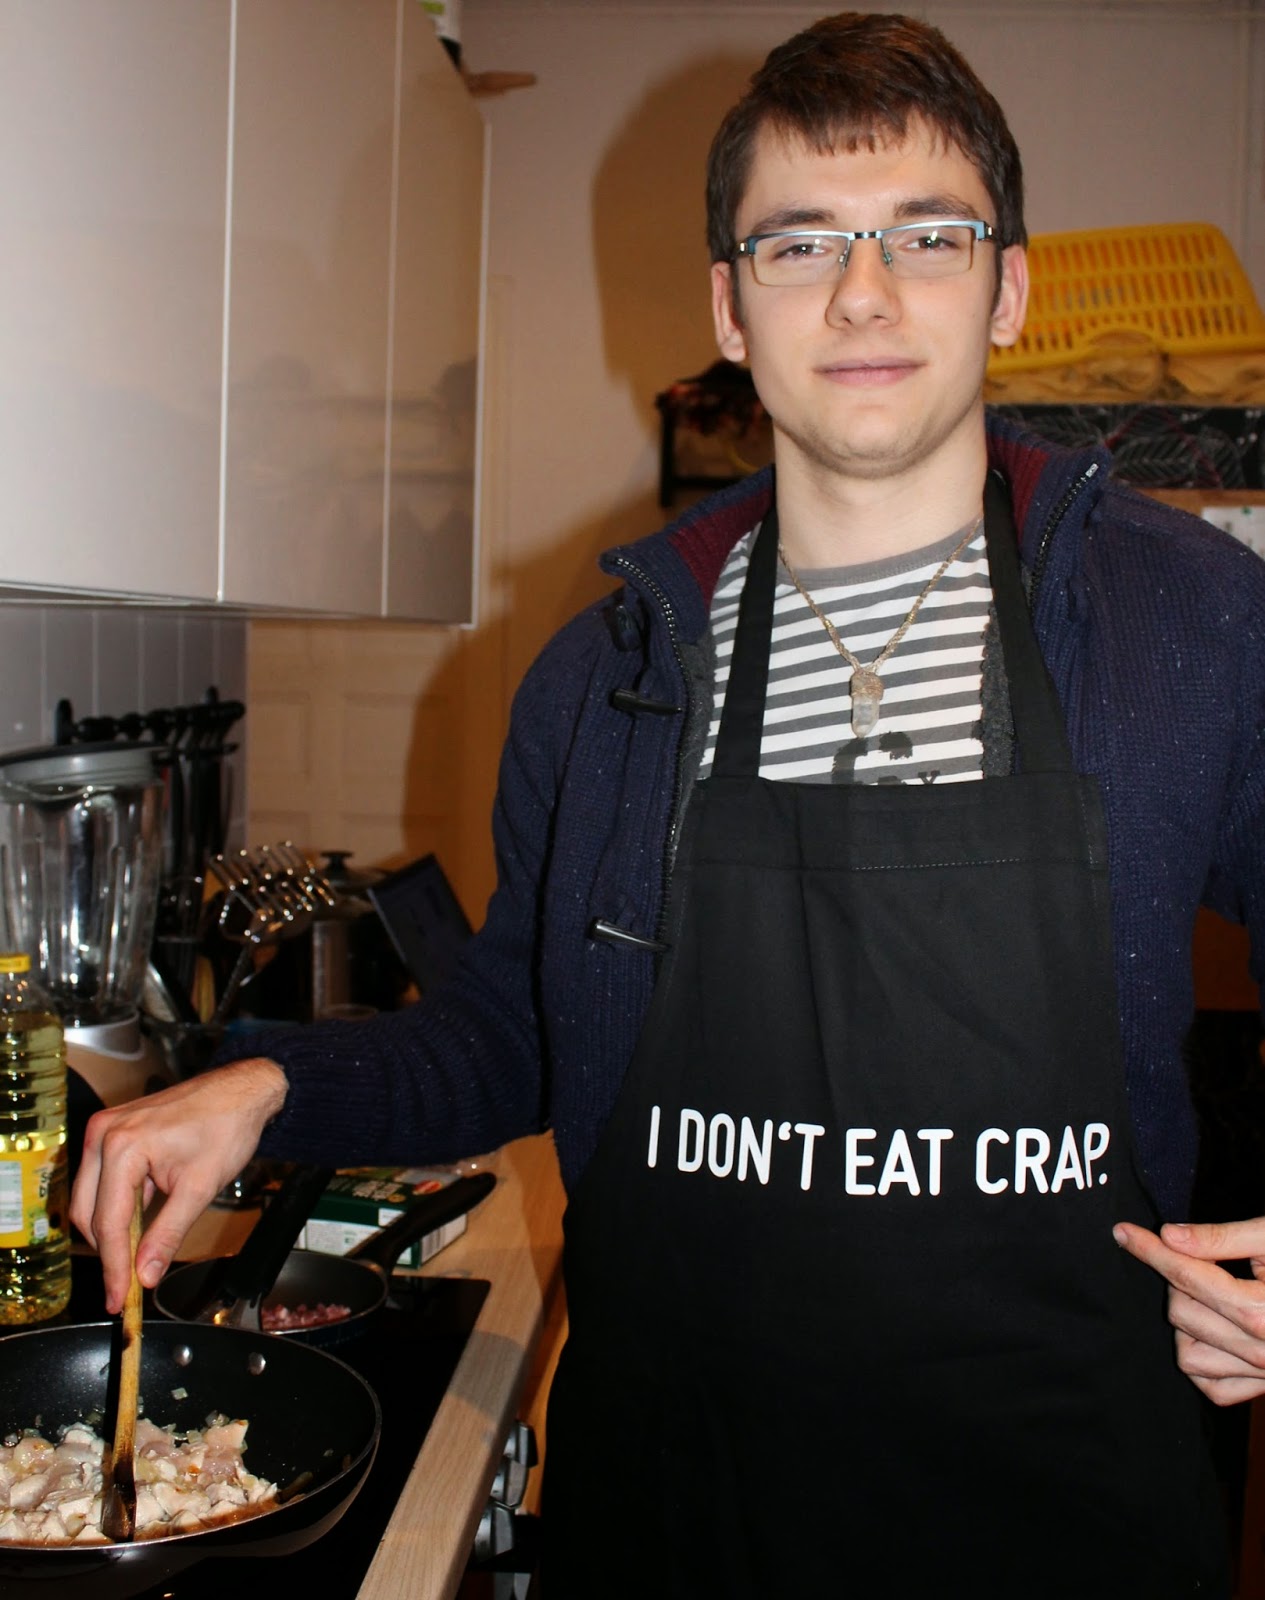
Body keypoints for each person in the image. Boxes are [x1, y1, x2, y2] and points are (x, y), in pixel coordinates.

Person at [72, 12, 1265, 1595]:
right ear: (727, 308)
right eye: (798, 243)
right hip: (675, 1506)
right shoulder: (608, 675)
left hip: (1064, 1519)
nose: (862, 292)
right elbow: (516, 1031)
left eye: (926, 235)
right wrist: (267, 1087)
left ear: (1007, 287)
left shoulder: (1184, 628)